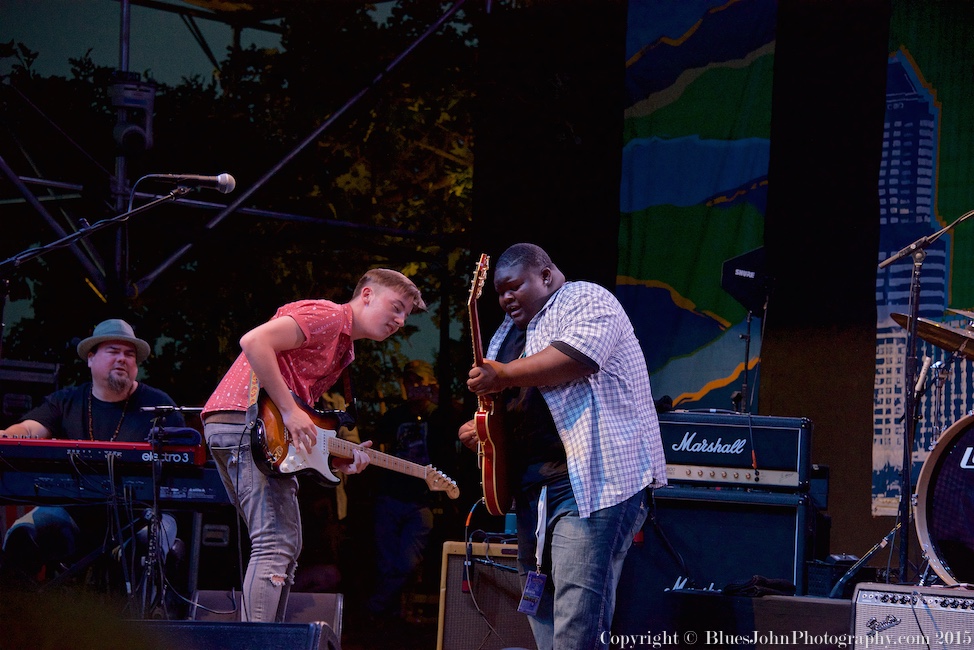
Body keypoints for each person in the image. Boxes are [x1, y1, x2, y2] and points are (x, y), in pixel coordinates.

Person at [457, 243, 667, 650]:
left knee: (576, 622)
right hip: (534, 491)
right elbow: (516, 403)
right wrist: (484, 431)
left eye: (514, 286)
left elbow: (579, 358)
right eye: (499, 292)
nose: (505, 298)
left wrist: (501, 375)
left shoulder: (585, 298)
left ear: (547, 276)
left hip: (592, 482)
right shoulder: (509, 333)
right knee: (542, 611)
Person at [201, 268, 426, 623]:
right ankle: (256, 646)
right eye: (396, 307)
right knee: (275, 545)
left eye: (405, 315)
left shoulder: (343, 348)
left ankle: (265, 637)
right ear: (366, 294)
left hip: (241, 426)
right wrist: (290, 411)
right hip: (244, 420)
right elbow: (254, 342)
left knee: (283, 547)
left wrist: (335, 460)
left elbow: (301, 423)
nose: (400, 320)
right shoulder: (329, 315)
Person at [0, 318, 186, 593]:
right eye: (113, 351)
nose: (122, 359)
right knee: (22, 536)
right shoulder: (66, 401)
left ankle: (136, 632)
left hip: (141, 516)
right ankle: (21, 623)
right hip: (72, 514)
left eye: (129, 354)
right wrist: (6, 436)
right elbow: (29, 429)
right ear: (90, 358)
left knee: (147, 545)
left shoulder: (159, 406)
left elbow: (182, 462)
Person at [366, 359, 457, 626]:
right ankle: (392, 616)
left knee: (407, 562)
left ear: (430, 384)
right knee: (386, 562)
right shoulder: (393, 418)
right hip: (390, 496)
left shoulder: (441, 417)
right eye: (409, 381)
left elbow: (452, 447)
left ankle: (375, 607)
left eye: (419, 381)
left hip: (421, 501)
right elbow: (374, 449)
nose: (413, 386)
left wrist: (439, 401)